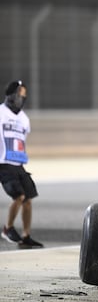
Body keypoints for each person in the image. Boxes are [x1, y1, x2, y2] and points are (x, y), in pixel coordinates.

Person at [0, 80, 43, 248]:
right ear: (10, 95)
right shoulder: (1, 112)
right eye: (19, 94)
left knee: (28, 199)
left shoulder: (24, 119)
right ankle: (8, 228)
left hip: (17, 163)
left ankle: (26, 236)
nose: (21, 98)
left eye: (24, 95)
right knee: (19, 196)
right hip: (3, 162)